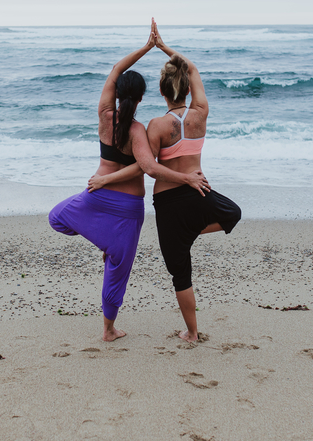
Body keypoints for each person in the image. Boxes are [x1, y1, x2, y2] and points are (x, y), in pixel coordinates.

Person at [48, 21, 209, 342]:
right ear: (145, 96)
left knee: (57, 218)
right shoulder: (138, 131)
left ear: (119, 93)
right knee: (117, 273)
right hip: (127, 211)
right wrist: (186, 178)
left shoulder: (105, 114)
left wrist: (145, 48)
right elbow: (147, 167)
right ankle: (108, 330)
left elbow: (114, 70)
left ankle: (102, 239)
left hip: (95, 196)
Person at [90, 20, 241, 343]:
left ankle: (192, 331)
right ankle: (191, 330)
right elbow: (194, 68)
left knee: (180, 273)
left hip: (169, 204)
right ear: (187, 89)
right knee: (232, 213)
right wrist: (165, 47)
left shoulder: (156, 126)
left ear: (160, 92)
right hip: (199, 193)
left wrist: (149, 47)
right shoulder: (201, 113)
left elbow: (148, 168)